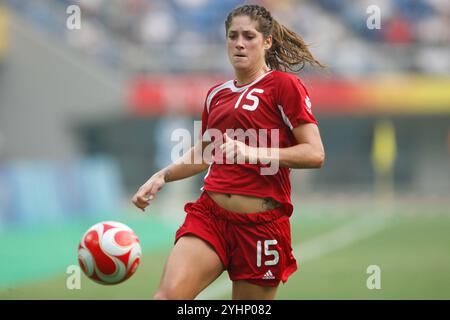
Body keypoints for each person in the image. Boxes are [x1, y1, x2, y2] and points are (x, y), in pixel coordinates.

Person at [132, 4, 325, 300]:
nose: (239, 43)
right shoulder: (216, 94)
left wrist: (254, 153)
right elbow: (204, 154)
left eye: (249, 36)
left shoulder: (284, 86)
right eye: (233, 35)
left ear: (267, 41)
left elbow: (315, 153)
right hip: (210, 217)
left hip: (261, 228)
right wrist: (161, 176)